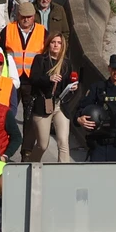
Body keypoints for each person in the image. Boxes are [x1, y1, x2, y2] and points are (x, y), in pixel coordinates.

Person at [23, 33, 73, 163]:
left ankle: (64, 173)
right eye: (53, 42)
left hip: (59, 105)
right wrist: (48, 79)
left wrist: (72, 88)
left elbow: (67, 83)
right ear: (48, 44)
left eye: (59, 43)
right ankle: (32, 165)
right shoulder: (40, 59)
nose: (56, 45)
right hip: (43, 104)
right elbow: (33, 79)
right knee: (42, 144)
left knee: (63, 142)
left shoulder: (66, 63)